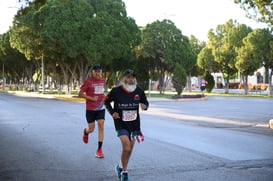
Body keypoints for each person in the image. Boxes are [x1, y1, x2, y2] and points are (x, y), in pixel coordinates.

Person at [104, 69, 149, 181]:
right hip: (121, 123)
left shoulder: (139, 91)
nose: (131, 79)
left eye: (132, 77)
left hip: (134, 125)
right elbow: (106, 101)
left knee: (129, 150)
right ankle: (124, 172)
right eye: (128, 77)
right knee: (126, 146)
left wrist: (145, 106)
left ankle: (120, 167)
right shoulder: (116, 91)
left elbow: (145, 102)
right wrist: (112, 112)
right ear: (123, 79)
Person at [79, 64, 105, 158]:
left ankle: (99, 150)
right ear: (92, 72)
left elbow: (101, 92)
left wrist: (104, 96)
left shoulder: (103, 80)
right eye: (96, 71)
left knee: (101, 125)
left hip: (101, 107)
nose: (98, 73)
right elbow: (80, 94)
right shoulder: (88, 81)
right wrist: (91, 98)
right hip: (90, 109)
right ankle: (86, 132)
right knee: (91, 129)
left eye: (99, 71)